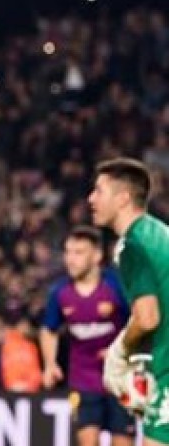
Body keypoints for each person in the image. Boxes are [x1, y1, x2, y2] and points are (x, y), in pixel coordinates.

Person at [90, 158, 169, 444]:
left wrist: (118, 351)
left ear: (123, 199)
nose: (91, 199)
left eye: (99, 191)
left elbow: (148, 318)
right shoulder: (160, 233)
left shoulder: (132, 246)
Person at [41, 226, 134, 446]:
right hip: (83, 379)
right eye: (68, 252)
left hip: (120, 378)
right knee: (87, 440)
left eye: (79, 252)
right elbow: (48, 329)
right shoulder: (60, 293)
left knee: (122, 441)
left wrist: (120, 349)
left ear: (97, 255)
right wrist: (50, 363)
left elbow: (139, 321)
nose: (70, 259)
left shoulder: (116, 286)